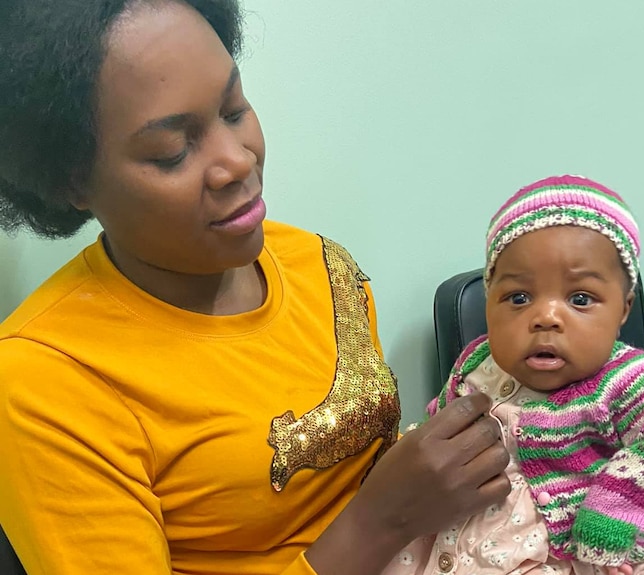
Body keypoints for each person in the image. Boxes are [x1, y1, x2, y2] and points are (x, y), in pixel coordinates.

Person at [0, 1, 512, 574]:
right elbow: (382, 504)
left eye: (234, 109)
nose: (237, 162)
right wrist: (383, 518)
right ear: (72, 179)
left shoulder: (320, 264)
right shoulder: (48, 380)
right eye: (173, 152)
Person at [382, 175, 644, 575]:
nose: (545, 317)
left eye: (580, 299)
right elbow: (445, 426)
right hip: (456, 537)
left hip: (562, 552)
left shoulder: (627, 378)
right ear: (490, 301)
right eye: (518, 298)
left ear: (623, 310)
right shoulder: (476, 360)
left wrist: (611, 520)